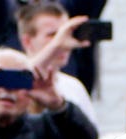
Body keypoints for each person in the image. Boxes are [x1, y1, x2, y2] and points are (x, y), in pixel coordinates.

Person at [15, 1, 100, 129]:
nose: (65, 42)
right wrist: (56, 45)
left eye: (67, 33)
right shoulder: (12, 83)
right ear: (27, 41)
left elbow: (92, 137)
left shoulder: (74, 87)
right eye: (52, 35)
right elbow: (14, 80)